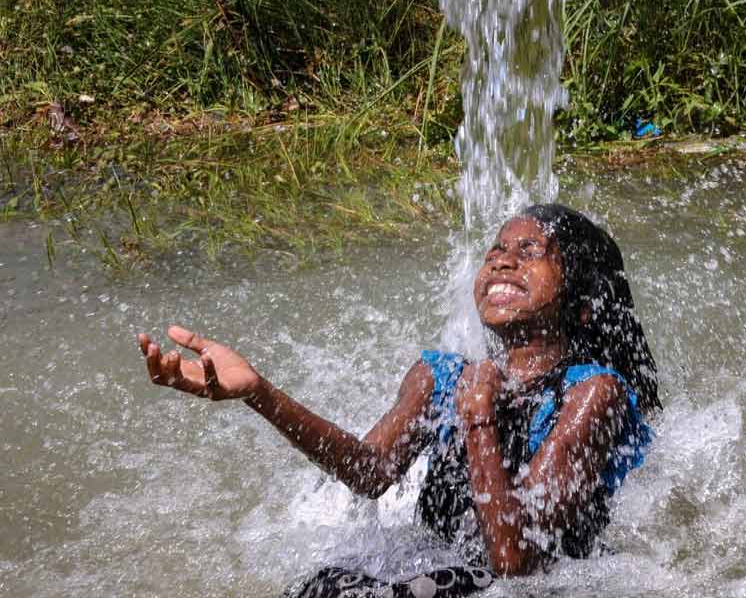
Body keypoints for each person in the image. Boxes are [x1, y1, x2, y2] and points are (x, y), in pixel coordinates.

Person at [138, 204, 660, 597]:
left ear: (584, 304)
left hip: (541, 587)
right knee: (324, 584)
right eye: (496, 253)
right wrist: (259, 393)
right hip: (448, 575)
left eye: (529, 254)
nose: (502, 263)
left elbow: (518, 566)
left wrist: (479, 418)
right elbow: (370, 473)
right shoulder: (442, 377)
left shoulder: (594, 393)